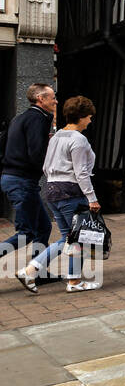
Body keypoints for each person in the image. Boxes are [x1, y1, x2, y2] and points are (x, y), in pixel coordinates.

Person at [17, 97, 101, 294]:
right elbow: (81, 173)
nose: (90, 121)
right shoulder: (78, 139)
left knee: (68, 238)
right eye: (89, 117)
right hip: (71, 192)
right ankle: (40, 272)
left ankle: (64, 278)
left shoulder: (56, 137)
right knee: (77, 238)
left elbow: (46, 167)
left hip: (52, 190)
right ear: (81, 117)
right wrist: (92, 198)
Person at [2, 83, 56, 280]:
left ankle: (37, 273)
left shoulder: (21, 117)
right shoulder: (37, 119)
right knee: (26, 233)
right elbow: (36, 153)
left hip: (16, 179)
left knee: (43, 227)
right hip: (21, 181)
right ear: (41, 99)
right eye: (52, 97)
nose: (56, 101)